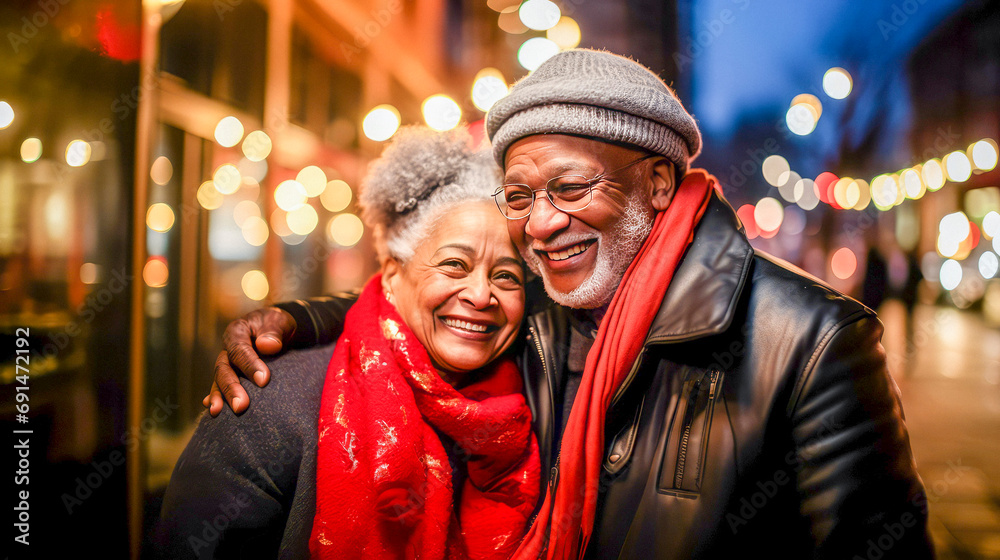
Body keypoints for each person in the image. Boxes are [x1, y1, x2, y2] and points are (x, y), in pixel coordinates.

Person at [207, 49, 933, 559]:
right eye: (519, 195)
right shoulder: (545, 307)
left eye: (571, 187)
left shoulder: (813, 342)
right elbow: (437, 295)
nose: (541, 222)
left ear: (656, 183)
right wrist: (302, 322)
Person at [157, 127, 542, 559]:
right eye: (454, 264)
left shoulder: (538, 402)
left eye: (506, 275)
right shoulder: (270, 401)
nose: (480, 294)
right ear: (393, 275)